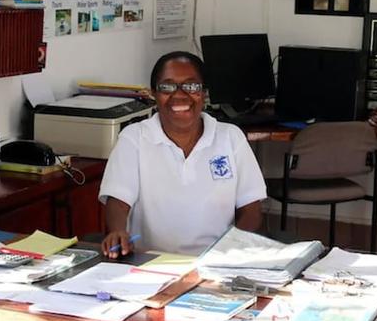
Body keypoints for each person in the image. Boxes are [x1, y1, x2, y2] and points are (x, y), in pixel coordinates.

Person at [99, 51, 267, 257]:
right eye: (167, 86)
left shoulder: (230, 138)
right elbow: (118, 199)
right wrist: (118, 231)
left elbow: (251, 208)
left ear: (204, 93)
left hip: (217, 262)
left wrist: (231, 250)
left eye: (191, 86)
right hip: (152, 262)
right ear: (153, 94)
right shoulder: (134, 138)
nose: (179, 95)